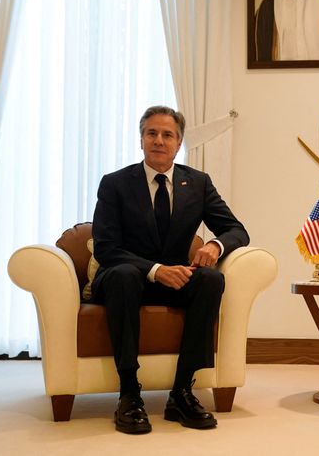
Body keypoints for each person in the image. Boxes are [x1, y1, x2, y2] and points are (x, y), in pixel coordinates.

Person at [90, 105, 249, 434]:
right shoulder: (115, 184)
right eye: (152, 133)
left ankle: (182, 393)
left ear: (179, 143)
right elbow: (106, 249)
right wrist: (155, 269)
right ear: (141, 140)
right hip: (123, 276)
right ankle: (129, 394)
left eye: (167, 135)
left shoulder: (198, 183)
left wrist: (214, 246)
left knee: (210, 280)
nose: (159, 141)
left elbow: (236, 230)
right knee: (123, 275)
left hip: (173, 278)